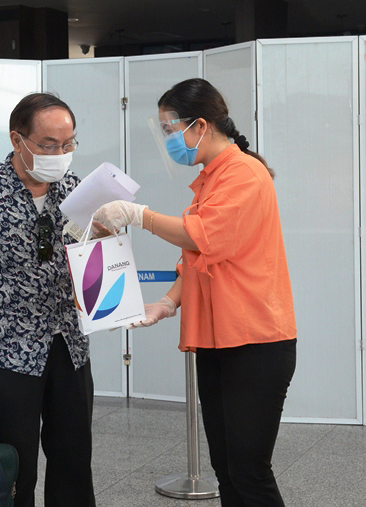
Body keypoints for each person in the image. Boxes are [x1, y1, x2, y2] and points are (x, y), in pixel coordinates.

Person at [94, 78, 297, 507]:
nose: (169, 139)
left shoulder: (243, 173)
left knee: (250, 470)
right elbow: (199, 260)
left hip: (255, 341)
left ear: (200, 125)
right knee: (227, 469)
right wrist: (168, 303)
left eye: (171, 129)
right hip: (219, 339)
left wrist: (137, 215)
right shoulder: (211, 177)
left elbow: (200, 236)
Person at [0, 93, 97, 507]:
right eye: (48, 145)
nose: (60, 155)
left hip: (68, 344)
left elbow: (92, 261)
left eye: (68, 144)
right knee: (13, 464)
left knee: (74, 459)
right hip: (6, 349)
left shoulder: (77, 190)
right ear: (18, 139)